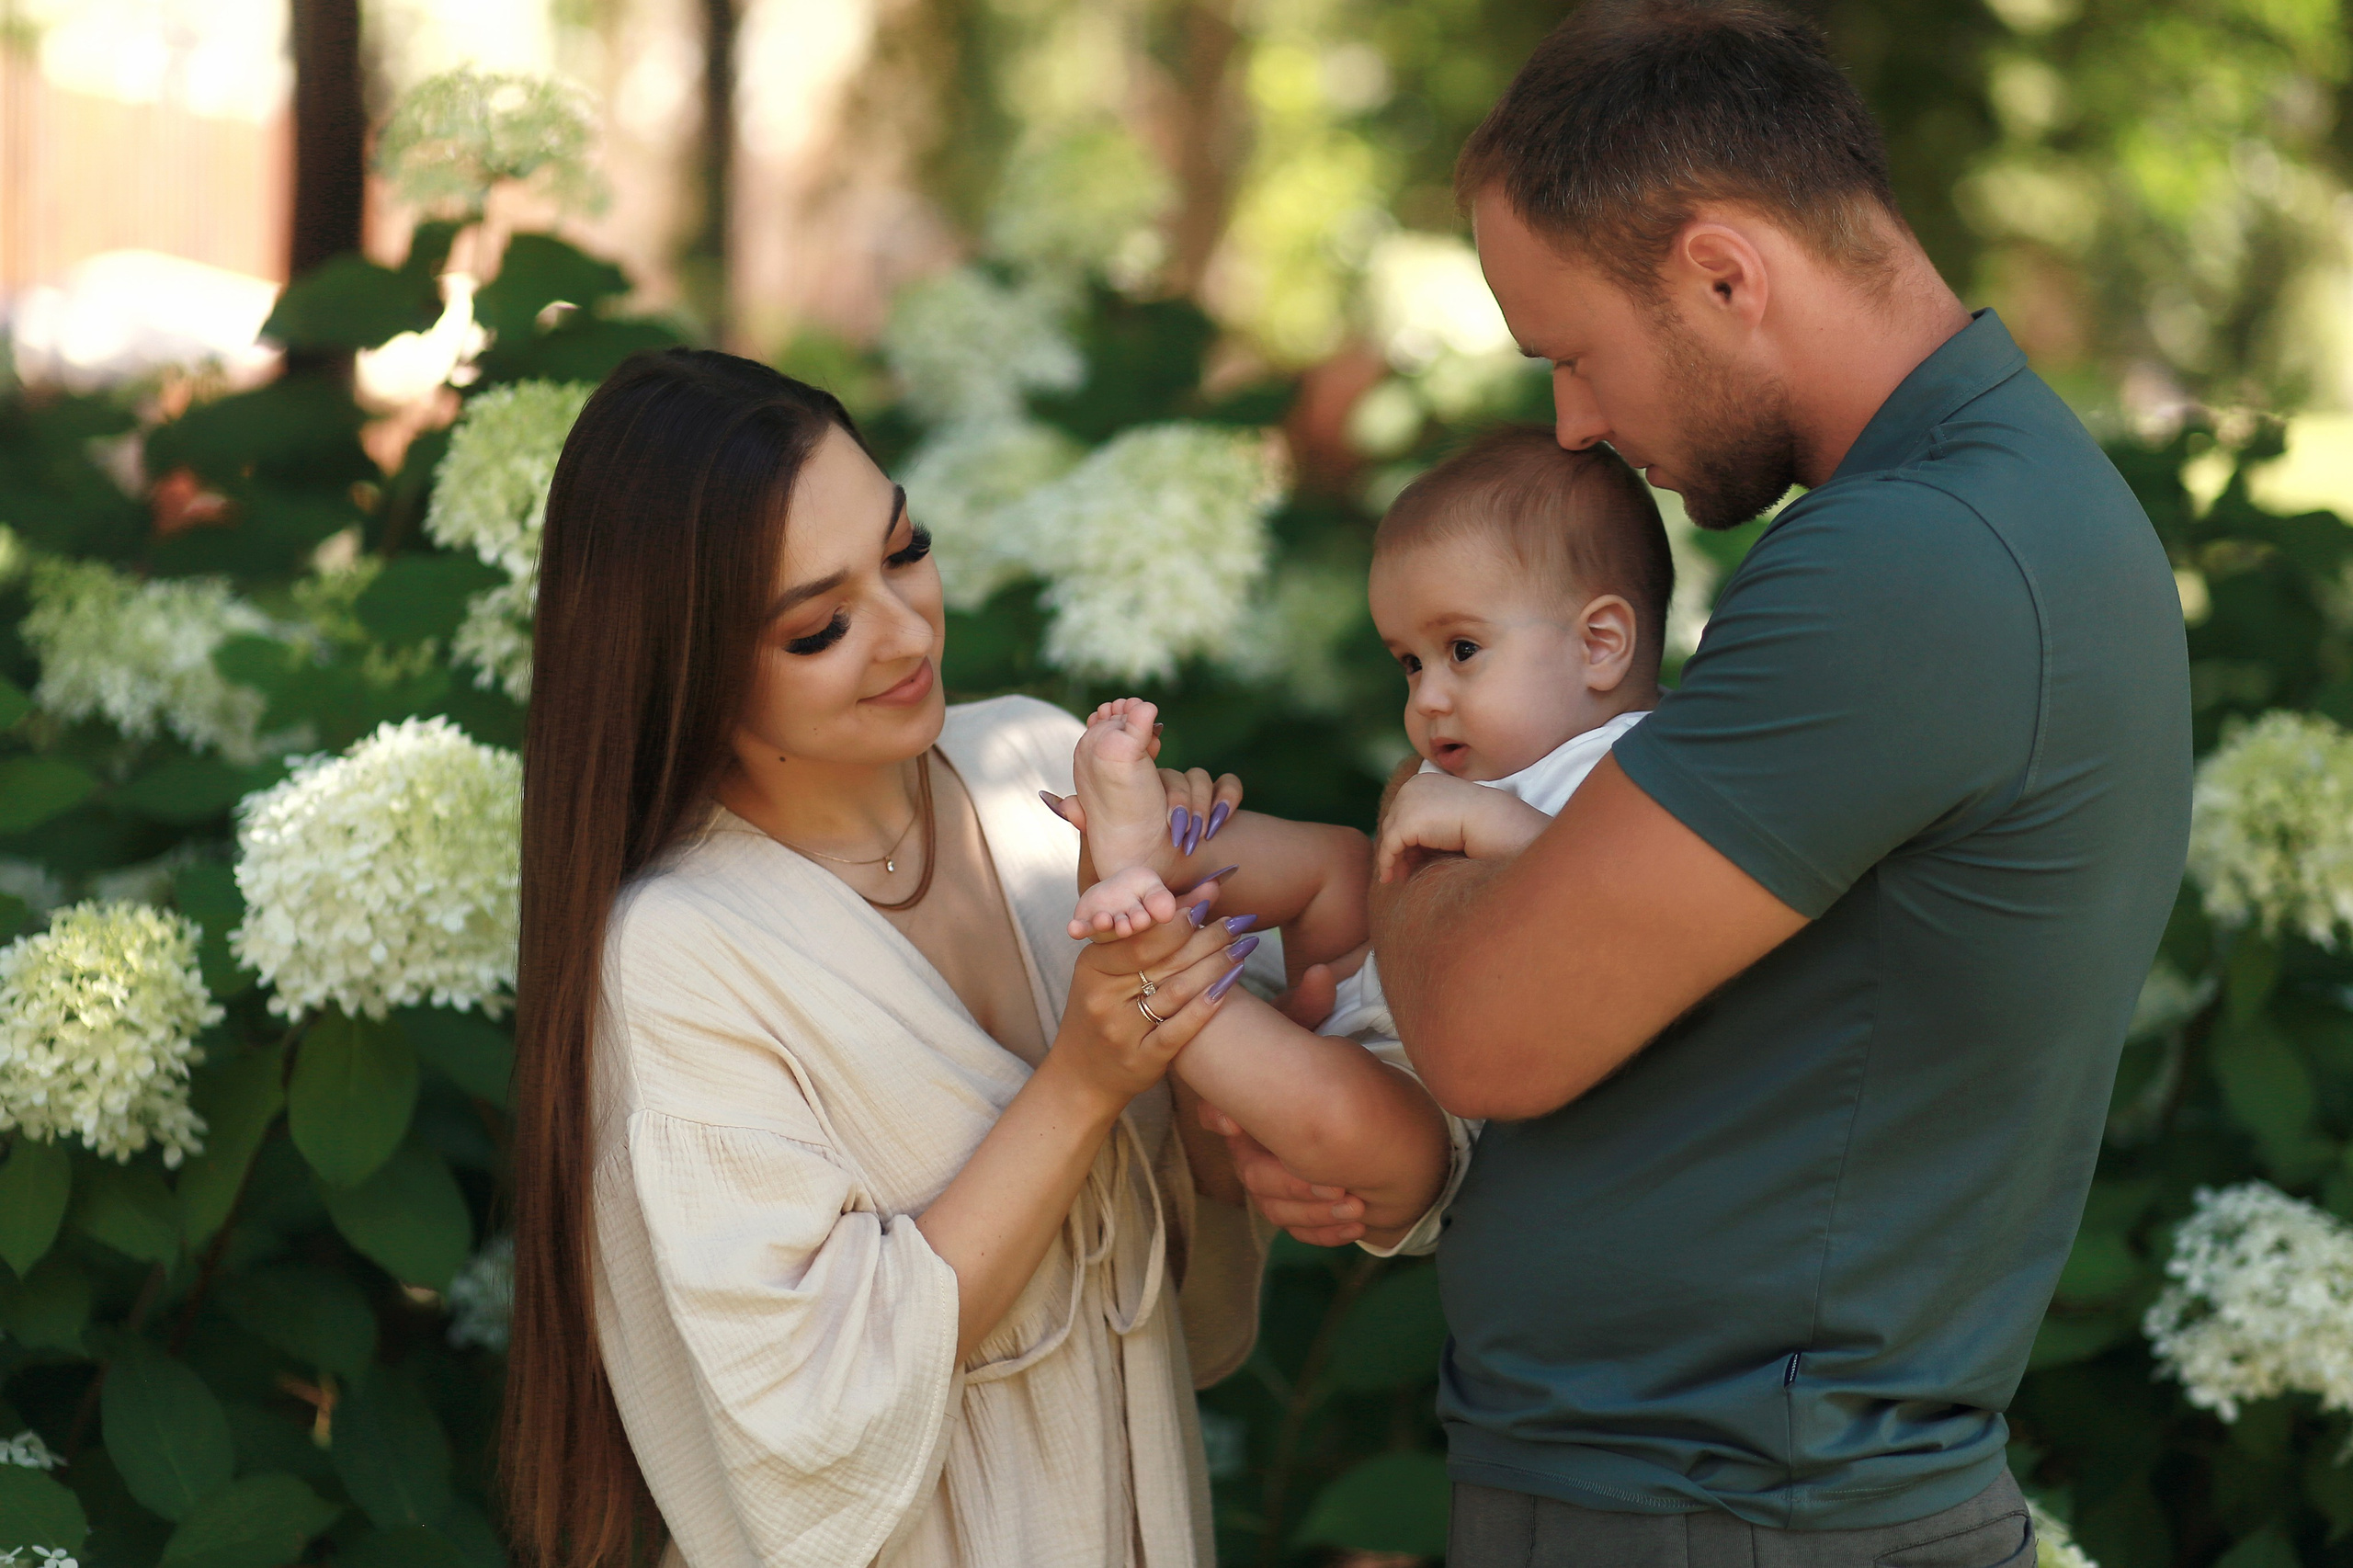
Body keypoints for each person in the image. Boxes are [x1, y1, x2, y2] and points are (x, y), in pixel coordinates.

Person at [1223, 3, 2192, 1563]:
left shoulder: (1917, 562)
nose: (1573, 424)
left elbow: (1486, 1024)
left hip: (1734, 1510)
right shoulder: (1978, 516)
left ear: (1727, 275)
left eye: (1575, 355)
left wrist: (1414, 842)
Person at [499, 348, 1283, 1568]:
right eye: (822, 624)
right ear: (688, 667)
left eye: (905, 550)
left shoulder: (1039, 764)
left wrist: (1257, 1101)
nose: (908, 628)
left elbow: (1181, 1231)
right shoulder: (682, 949)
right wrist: (1081, 1079)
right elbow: (811, 1406)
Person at [1060, 429, 1674, 1256]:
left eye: (1461, 650)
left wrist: (1500, 828)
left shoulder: (1644, 761)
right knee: (1338, 863)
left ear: (1600, 644)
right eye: (1410, 664)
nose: (1427, 697)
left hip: (1441, 1113)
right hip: (1377, 975)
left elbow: (1627, 907)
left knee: (1352, 1121)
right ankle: (1156, 854)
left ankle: (1161, 979)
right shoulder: (1481, 756)